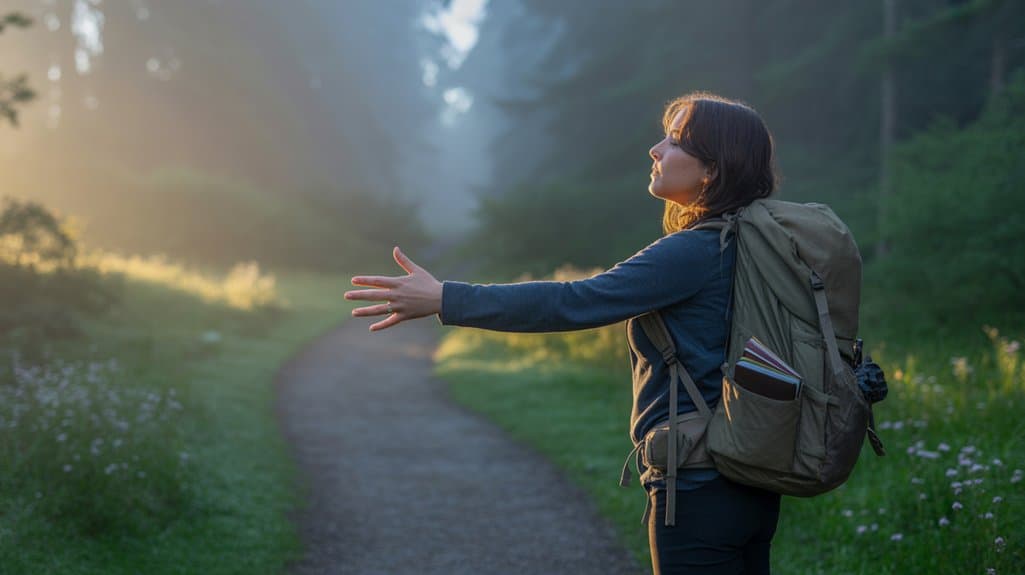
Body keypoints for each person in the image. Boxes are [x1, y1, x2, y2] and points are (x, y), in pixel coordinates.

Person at [344, 91, 782, 575]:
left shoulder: (694, 252)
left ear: (711, 170)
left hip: (699, 482)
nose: (655, 149)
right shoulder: (756, 245)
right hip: (753, 478)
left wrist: (446, 298)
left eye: (675, 141)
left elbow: (574, 301)